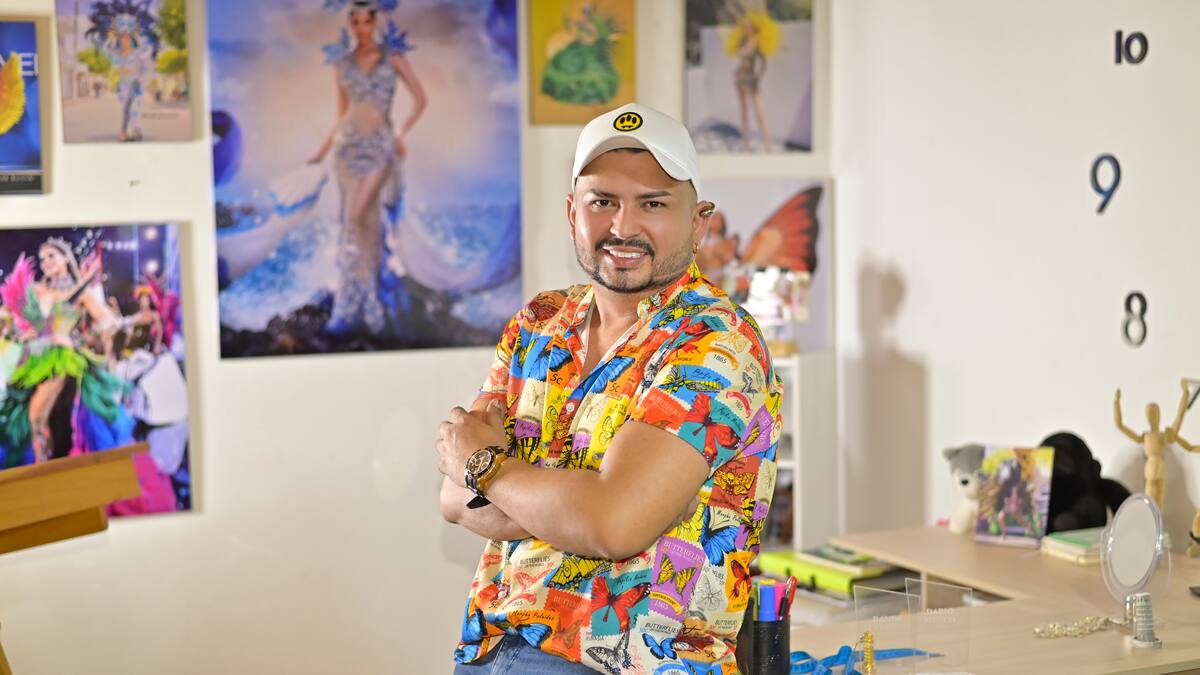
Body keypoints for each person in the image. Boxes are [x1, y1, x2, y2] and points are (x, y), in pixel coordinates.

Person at [437, 103, 784, 674]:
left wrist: (489, 469)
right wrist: (583, 505)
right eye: (603, 201)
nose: (623, 227)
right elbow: (455, 500)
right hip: (491, 648)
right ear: (572, 212)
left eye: (653, 203)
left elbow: (611, 524)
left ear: (699, 222)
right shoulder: (539, 322)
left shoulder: (717, 343)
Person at [309, 0, 427, 336]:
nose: (362, 28)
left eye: (367, 21)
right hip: (347, 152)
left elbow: (421, 100)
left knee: (355, 218)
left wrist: (401, 135)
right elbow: (342, 113)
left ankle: (358, 305)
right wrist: (321, 152)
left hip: (380, 150)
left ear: (376, 22)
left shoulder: (393, 59)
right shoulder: (342, 64)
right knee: (364, 227)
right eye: (356, 22)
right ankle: (362, 306)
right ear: (350, 24)